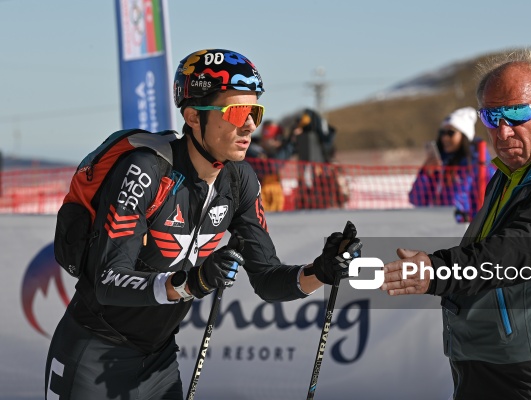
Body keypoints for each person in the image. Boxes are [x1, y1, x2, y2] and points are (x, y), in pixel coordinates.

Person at [44, 48, 362, 400]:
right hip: (93, 350)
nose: (250, 125)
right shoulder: (146, 170)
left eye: (255, 111)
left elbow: (268, 280)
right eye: (238, 111)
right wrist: (192, 282)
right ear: (194, 116)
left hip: (159, 361)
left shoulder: (239, 180)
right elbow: (108, 281)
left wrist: (322, 270)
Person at [381, 48, 531, 399]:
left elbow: (522, 251)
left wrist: (439, 272)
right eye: (491, 116)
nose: (503, 130)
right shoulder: (513, 170)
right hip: (482, 362)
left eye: (515, 113)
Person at [409, 106, 495, 223]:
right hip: (438, 227)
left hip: (466, 230)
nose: (445, 137)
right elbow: (416, 200)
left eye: (450, 133)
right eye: (442, 132)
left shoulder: (480, 166)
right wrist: (426, 173)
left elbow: (491, 204)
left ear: (464, 136)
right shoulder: (439, 164)